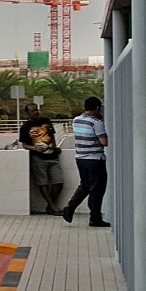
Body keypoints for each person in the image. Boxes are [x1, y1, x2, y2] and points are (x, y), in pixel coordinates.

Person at [63, 96, 109, 227]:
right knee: (97, 188)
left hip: (80, 158)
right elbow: (104, 142)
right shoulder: (96, 122)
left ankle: (70, 207)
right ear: (97, 108)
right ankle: (95, 217)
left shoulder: (76, 120)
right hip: (95, 159)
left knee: (85, 186)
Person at [18, 105, 63, 214]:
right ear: (27, 113)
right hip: (38, 158)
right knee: (43, 183)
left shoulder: (46, 121)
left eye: (37, 110)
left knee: (59, 182)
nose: (36, 112)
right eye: (32, 111)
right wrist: (34, 148)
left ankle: (50, 206)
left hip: (52, 156)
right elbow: (24, 145)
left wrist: (54, 145)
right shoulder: (25, 127)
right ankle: (53, 207)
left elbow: (52, 136)